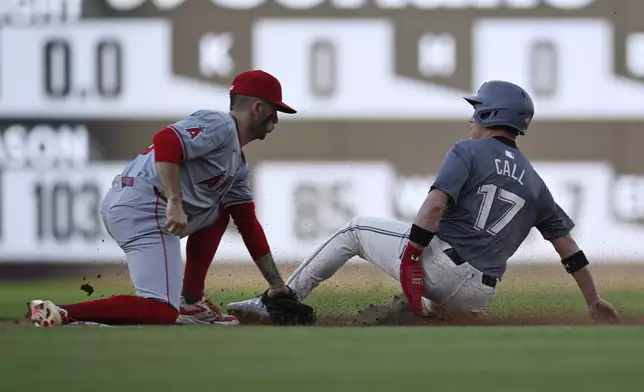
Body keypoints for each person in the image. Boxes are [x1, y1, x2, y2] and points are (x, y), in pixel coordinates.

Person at [228, 80, 620, 324]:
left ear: (490, 113)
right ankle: (411, 317)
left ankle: (281, 301)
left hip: (443, 267)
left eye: (476, 108)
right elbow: (568, 248)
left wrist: (412, 254)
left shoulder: (468, 150)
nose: (472, 117)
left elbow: (434, 207)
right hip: (479, 295)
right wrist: (592, 299)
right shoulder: (535, 182)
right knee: (431, 315)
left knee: (357, 229)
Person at [27, 70, 300, 327]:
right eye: (275, 111)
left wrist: (277, 286)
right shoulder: (220, 125)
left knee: (220, 210)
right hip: (145, 205)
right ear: (257, 108)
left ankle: (191, 301)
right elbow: (167, 140)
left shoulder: (237, 166)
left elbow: (247, 222)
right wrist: (175, 201)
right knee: (161, 310)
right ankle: (64, 312)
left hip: (139, 203)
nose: (275, 120)